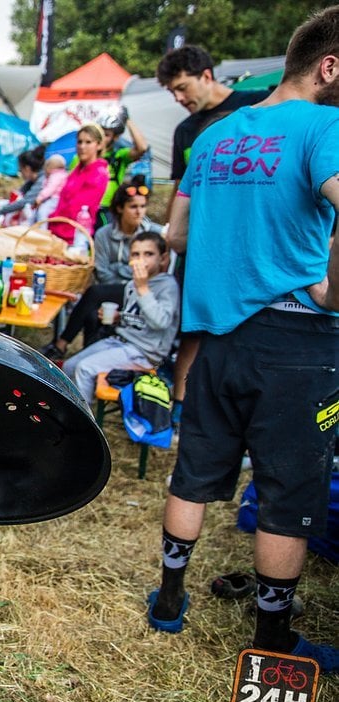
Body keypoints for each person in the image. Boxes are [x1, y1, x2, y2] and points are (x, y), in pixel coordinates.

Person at [145, 7, 339, 673]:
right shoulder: (328, 125)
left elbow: (174, 236)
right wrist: (330, 288)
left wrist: (241, 245)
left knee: (195, 473)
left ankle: (168, 603)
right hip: (299, 344)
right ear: (330, 65)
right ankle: (273, 641)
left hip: (217, 338)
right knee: (287, 493)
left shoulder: (218, 137)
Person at [156, 45, 268, 426]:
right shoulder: (185, 130)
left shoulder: (258, 104)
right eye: (172, 92)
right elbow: (178, 187)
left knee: (250, 331)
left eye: (182, 87)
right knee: (193, 330)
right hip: (200, 246)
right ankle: (181, 412)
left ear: (206, 75)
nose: (178, 97)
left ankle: (244, 413)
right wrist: (171, 235)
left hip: (252, 245)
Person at [42, 176, 162, 358]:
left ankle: (61, 344)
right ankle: (88, 357)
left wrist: (119, 269)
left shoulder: (152, 235)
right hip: (114, 291)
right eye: (133, 207)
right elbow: (103, 273)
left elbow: (151, 273)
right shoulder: (104, 235)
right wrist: (129, 270)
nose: (139, 212)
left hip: (141, 292)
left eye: (143, 206)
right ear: (120, 208)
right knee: (92, 314)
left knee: (95, 292)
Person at [59, 231, 178, 402]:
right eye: (136, 254)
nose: (141, 259)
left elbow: (161, 321)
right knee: (69, 366)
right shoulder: (132, 284)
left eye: (149, 254)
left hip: (144, 353)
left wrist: (143, 288)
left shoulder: (167, 286)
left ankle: (82, 424)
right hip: (119, 342)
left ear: (163, 259)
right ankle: (65, 413)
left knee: (85, 369)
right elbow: (137, 318)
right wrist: (119, 317)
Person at [47, 123, 108, 244]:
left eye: (88, 142)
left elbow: (77, 208)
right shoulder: (77, 169)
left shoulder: (98, 173)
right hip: (57, 231)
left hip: (73, 236)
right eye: (79, 142)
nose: (82, 146)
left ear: (99, 145)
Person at [95, 106, 148, 218]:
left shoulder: (119, 155)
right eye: (100, 133)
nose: (102, 138)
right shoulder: (86, 156)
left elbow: (142, 147)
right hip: (87, 207)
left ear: (116, 137)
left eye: (107, 135)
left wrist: (127, 120)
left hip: (108, 208)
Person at [0, 146, 45, 225]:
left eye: (20, 169)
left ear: (27, 169)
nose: (20, 173)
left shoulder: (42, 181)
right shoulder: (32, 181)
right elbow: (18, 194)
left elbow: (24, 202)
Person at [34, 153, 68, 222]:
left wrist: (40, 198)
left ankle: (42, 230)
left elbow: (50, 188)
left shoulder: (56, 176)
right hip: (56, 199)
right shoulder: (62, 174)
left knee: (42, 212)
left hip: (55, 199)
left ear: (50, 167)